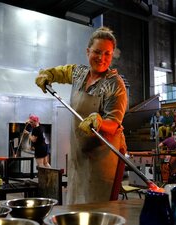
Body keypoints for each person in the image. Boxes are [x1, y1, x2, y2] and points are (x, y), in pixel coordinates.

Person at [35, 27, 127, 204]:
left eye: (107, 54)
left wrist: (99, 122)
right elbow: (61, 72)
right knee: (77, 203)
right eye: (97, 52)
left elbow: (114, 123)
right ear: (88, 51)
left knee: (97, 210)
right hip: (79, 153)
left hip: (102, 157)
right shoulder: (79, 73)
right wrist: (47, 74)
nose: (102, 58)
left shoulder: (114, 84)